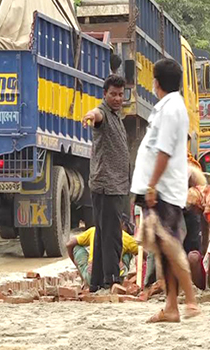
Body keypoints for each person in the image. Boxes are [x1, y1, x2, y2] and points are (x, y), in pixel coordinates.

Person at [131, 58, 199, 322]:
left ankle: (191, 299)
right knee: (162, 248)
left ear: (155, 82)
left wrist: (151, 185)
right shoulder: (167, 107)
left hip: (161, 189)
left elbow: (164, 151)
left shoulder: (172, 109)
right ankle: (172, 306)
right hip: (158, 187)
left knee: (168, 244)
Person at [82, 75, 130, 292]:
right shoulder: (103, 113)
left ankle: (97, 282)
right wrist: (91, 115)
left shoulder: (117, 117)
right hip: (106, 185)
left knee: (103, 234)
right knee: (112, 235)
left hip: (116, 185)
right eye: (113, 94)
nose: (118, 98)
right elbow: (96, 115)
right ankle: (112, 280)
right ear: (105, 94)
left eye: (121, 94)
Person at [66, 215, 138, 287]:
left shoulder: (94, 231)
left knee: (76, 247)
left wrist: (79, 268)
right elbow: (144, 254)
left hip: (93, 278)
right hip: (116, 279)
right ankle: (120, 274)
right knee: (129, 252)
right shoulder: (125, 236)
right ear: (122, 224)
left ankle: (85, 279)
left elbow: (69, 244)